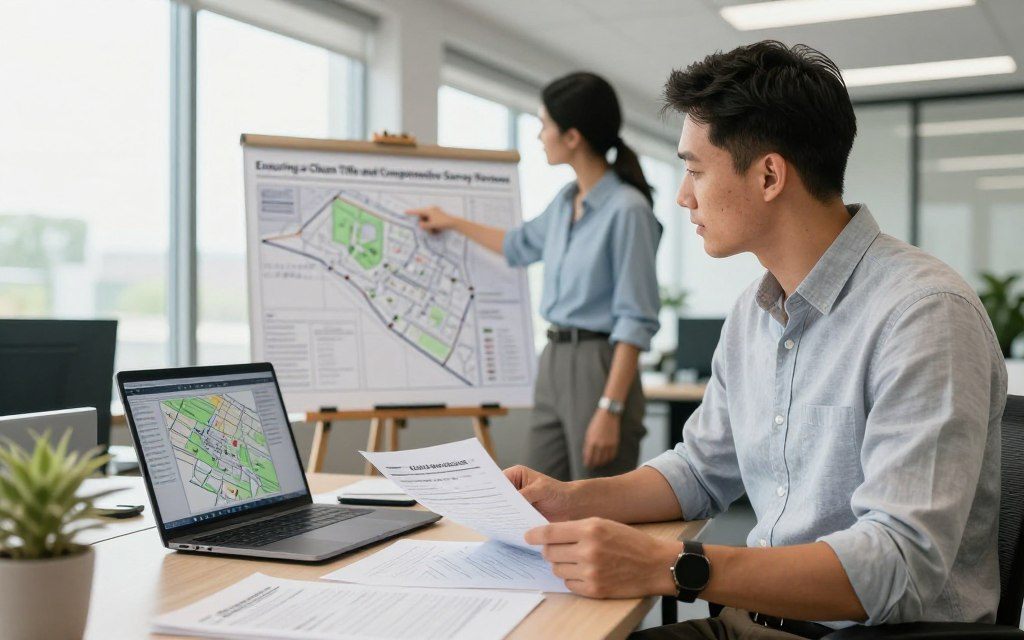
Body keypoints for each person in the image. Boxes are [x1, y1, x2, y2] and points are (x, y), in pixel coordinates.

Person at [505, 41, 1007, 639]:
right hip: (756, 621)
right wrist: (571, 499)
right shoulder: (754, 312)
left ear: (769, 174)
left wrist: (667, 565)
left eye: (694, 170)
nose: (682, 196)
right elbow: (698, 471)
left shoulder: (924, 315)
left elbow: (898, 564)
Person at [407, 72, 662, 481]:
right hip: (554, 360)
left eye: (545, 125)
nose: (540, 135)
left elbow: (636, 320)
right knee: (537, 496)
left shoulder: (628, 210)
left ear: (573, 136)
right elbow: (518, 245)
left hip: (599, 364)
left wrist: (610, 409)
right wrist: (450, 222)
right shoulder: (564, 203)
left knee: (593, 506)